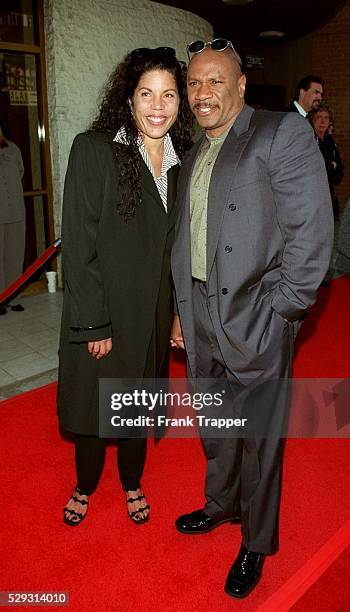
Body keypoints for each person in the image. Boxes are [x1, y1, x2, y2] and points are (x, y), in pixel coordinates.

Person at [170, 39, 333, 598]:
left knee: (261, 438)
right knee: (216, 426)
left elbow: (311, 232)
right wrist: (180, 310)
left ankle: (257, 543)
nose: (202, 93)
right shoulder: (192, 151)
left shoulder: (278, 133)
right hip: (200, 312)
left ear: (241, 85)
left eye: (215, 81)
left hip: (256, 314)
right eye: (194, 83)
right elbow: (185, 239)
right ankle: (221, 506)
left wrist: (283, 309)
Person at [58, 47, 192, 526]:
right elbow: (78, 242)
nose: (158, 106)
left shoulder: (182, 163)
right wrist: (95, 322)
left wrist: (180, 312)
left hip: (153, 313)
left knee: (137, 402)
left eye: (169, 95)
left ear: (180, 103)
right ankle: (85, 485)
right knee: (96, 407)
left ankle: (132, 482)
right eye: (146, 94)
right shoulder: (94, 149)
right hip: (104, 313)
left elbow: (180, 250)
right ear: (129, 100)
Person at [0, 125, 25, 315]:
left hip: (16, 213)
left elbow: (21, 171)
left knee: (15, 257)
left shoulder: (12, 148)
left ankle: (14, 297)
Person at [308, 102, 344, 220]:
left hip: (329, 200)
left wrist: (331, 166)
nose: (322, 122)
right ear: (312, 120)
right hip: (311, 201)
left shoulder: (330, 141)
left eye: (326, 118)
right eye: (318, 118)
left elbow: (339, 173)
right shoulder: (308, 140)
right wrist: (330, 166)